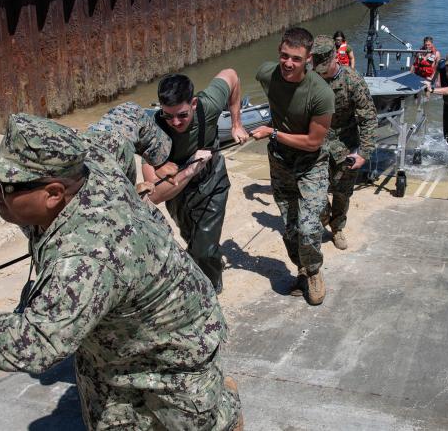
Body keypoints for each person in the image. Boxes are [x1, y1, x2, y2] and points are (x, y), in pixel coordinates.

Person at [0, 113, 243, 430]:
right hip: (110, 342)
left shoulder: (85, 256)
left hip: (175, 346)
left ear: (53, 194)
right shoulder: (86, 157)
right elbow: (130, 116)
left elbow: (37, 346)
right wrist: (160, 157)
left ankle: (223, 409)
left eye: (8, 184)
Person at [143, 70, 249, 294]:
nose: (175, 122)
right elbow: (154, 195)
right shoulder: (153, 131)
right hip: (178, 191)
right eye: (168, 115)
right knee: (192, 238)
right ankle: (208, 260)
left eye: (182, 115)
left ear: (193, 103)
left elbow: (232, 76)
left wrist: (236, 124)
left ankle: (210, 291)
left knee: (203, 250)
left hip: (212, 180)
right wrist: (189, 170)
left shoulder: (208, 105)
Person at [250, 28, 334, 306]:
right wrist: (236, 122)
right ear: (279, 52)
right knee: (290, 226)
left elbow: (313, 142)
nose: (288, 63)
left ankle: (314, 272)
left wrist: (272, 132)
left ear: (308, 59)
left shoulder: (321, 93)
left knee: (309, 228)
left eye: (296, 59)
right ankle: (301, 269)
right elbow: (231, 81)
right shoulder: (267, 73)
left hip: (311, 163)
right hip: (280, 161)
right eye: (284, 56)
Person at [312, 35, 377, 251]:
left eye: (324, 67)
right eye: (317, 66)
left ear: (335, 58)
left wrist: (364, 152)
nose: (321, 71)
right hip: (316, 143)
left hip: (345, 144)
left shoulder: (352, 80)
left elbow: (368, 117)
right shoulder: (310, 77)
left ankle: (337, 227)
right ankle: (324, 217)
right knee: (314, 190)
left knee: (342, 192)